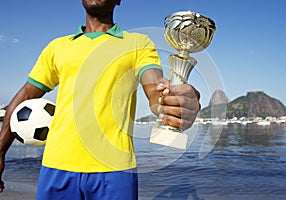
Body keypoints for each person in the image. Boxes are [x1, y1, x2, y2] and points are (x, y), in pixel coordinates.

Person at [0, 0, 201, 199]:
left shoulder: (138, 43)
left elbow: (154, 88)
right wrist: (0, 151)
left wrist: (170, 103)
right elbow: (26, 95)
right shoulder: (57, 47)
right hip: (56, 165)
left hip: (116, 168)